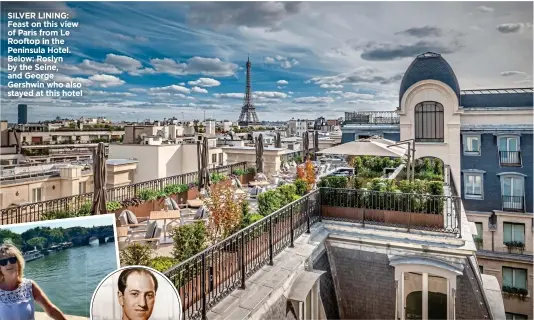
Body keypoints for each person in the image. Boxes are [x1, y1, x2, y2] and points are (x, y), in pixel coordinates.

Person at [0, 243, 67, 320]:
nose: (8, 263)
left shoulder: (29, 285)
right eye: (3, 262)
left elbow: (50, 309)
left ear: (18, 262)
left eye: (12, 260)